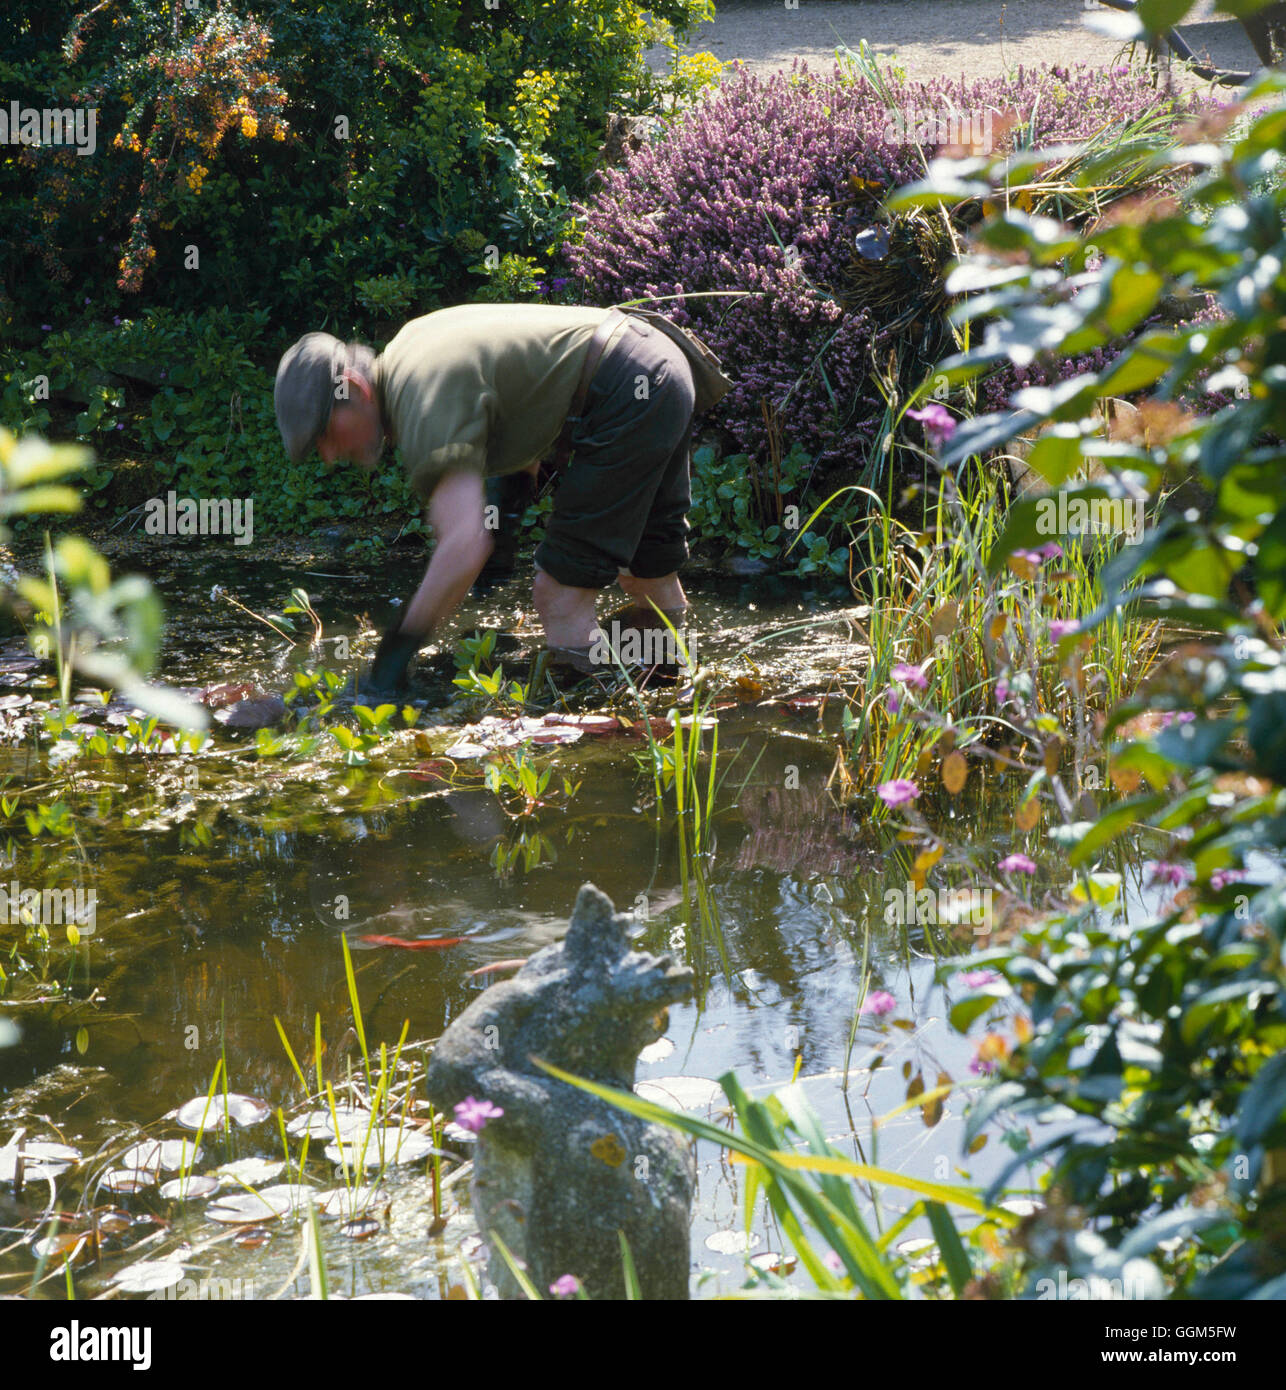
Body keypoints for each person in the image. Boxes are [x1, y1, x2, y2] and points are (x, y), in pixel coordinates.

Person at [274, 302, 731, 694]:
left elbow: (461, 545)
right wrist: (504, 518)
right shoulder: (412, 350)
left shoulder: (419, 395)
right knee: (648, 575)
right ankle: (681, 690)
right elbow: (519, 416)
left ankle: (588, 741)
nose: (331, 456)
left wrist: (394, 655)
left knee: (558, 597)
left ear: (353, 388)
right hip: (657, 368)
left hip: (625, 390)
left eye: (324, 436)